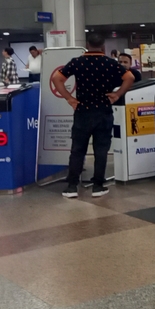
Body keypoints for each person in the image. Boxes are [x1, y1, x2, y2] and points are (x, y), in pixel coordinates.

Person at [52, 32, 134, 198]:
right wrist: (117, 95)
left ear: (87, 45)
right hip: (103, 111)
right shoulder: (110, 63)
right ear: (103, 47)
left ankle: (72, 187)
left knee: (77, 150)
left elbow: (56, 78)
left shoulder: (77, 62)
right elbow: (130, 77)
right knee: (101, 150)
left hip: (83, 111)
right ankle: (98, 186)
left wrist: (69, 98)